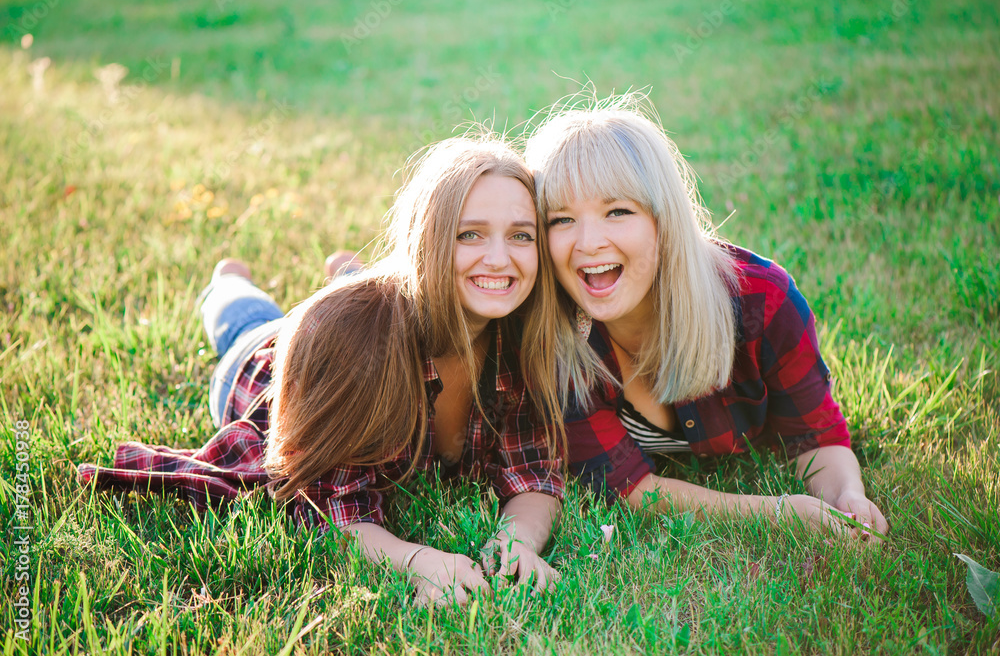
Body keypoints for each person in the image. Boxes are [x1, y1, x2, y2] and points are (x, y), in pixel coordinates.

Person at [78, 135, 595, 605]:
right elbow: (331, 510)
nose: (500, 258)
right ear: (428, 240)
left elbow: (536, 472)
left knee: (368, 300)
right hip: (265, 369)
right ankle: (229, 280)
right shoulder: (348, 342)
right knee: (246, 320)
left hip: (373, 313)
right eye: (470, 235)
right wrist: (421, 561)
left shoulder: (525, 333)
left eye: (521, 236)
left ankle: (348, 272)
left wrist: (515, 543)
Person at [523, 95, 889, 538]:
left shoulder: (762, 302)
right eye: (561, 219)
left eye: (617, 211)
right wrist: (780, 512)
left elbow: (815, 437)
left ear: (664, 219)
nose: (588, 242)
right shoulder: (551, 339)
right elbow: (628, 487)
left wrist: (846, 494)